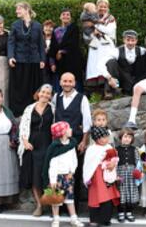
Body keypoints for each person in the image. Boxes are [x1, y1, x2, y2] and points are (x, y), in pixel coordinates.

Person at [53, 72, 92, 209]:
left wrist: (84, 141)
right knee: (58, 172)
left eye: (70, 81)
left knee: (73, 172)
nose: (67, 83)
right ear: (60, 82)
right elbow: (53, 118)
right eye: (65, 81)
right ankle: (59, 204)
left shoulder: (82, 98)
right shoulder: (56, 97)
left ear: (74, 83)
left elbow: (87, 122)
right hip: (58, 142)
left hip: (75, 140)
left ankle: (73, 205)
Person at [18, 84, 55, 217]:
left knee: (49, 177)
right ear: (38, 93)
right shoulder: (29, 108)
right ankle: (39, 205)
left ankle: (52, 205)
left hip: (48, 145)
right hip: (32, 146)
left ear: (51, 96)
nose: (45, 95)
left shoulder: (53, 109)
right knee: (35, 178)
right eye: (43, 92)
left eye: (48, 93)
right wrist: (25, 142)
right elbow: (22, 127)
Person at [42, 121, 84, 227]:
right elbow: (52, 165)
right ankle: (56, 219)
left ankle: (73, 218)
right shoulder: (54, 147)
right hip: (57, 177)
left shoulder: (72, 143)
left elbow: (74, 160)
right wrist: (52, 180)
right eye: (68, 128)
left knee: (70, 198)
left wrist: (72, 171)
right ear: (63, 132)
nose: (71, 130)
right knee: (55, 198)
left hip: (68, 176)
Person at [7, 1, 45, 116]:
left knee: (33, 86)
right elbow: (11, 43)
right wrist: (11, 57)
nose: (16, 11)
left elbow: (41, 44)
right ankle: (18, 112)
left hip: (34, 61)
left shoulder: (38, 26)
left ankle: (34, 111)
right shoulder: (15, 25)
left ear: (26, 9)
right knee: (19, 87)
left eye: (19, 9)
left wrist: (42, 59)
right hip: (19, 61)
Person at [83, 125, 120, 227]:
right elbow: (89, 164)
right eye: (102, 137)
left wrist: (113, 163)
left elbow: (115, 158)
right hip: (96, 176)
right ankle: (94, 219)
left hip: (108, 175)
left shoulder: (109, 147)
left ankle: (105, 219)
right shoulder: (91, 149)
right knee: (96, 197)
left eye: (106, 136)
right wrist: (88, 177)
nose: (105, 139)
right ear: (96, 139)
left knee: (108, 197)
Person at [85, 0, 118, 96]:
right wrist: (92, 32)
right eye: (100, 6)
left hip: (106, 46)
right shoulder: (91, 18)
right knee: (95, 68)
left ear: (107, 8)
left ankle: (108, 90)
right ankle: (96, 92)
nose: (102, 8)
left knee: (106, 65)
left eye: (105, 7)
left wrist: (97, 27)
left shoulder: (110, 18)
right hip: (95, 46)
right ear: (96, 7)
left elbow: (110, 30)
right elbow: (86, 32)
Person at [48, 8, 84, 93]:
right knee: (61, 82)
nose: (65, 16)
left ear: (70, 17)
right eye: (63, 14)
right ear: (60, 17)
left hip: (72, 60)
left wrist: (61, 51)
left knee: (74, 81)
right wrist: (52, 63)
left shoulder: (74, 28)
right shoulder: (56, 31)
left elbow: (73, 43)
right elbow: (52, 47)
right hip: (60, 63)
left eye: (68, 15)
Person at [104, 29, 146, 96]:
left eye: (133, 40)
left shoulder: (142, 50)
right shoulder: (116, 51)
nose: (130, 43)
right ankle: (110, 91)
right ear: (124, 40)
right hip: (121, 77)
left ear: (136, 41)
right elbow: (101, 64)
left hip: (134, 77)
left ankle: (130, 90)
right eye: (128, 40)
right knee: (111, 62)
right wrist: (109, 78)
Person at [116, 128, 143, 223]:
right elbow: (114, 162)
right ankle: (120, 212)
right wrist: (115, 175)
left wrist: (140, 172)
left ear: (132, 139)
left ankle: (129, 212)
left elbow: (139, 161)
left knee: (130, 194)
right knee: (121, 193)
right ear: (121, 138)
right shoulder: (116, 150)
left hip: (132, 174)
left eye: (129, 137)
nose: (127, 139)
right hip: (121, 174)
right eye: (125, 136)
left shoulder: (135, 149)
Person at [42, 20, 57, 89]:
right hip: (43, 66)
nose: (48, 28)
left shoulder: (56, 39)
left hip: (54, 65)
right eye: (46, 26)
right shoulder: (40, 39)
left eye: (50, 27)